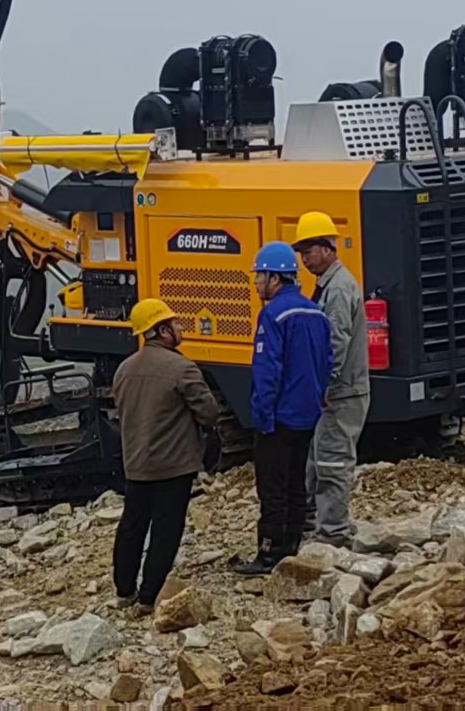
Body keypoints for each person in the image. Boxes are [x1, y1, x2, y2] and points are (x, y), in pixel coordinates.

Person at [111, 297, 220, 615]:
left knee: (132, 525)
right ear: (161, 330)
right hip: (173, 466)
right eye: (175, 323)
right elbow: (209, 413)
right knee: (166, 531)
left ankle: (124, 590)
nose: (181, 327)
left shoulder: (124, 369)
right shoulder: (182, 368)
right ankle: (149, 596)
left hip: (136, 464)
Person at [230, 241, 333, 574]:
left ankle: (269, 554)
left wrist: (261, 417)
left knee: (272, 488)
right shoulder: (315, 312)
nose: (256, 283)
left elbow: (267, 371)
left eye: (259, 276)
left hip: (278, 418)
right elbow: (326, 362)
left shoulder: (272, 315)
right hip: (307, 415)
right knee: (295, 484)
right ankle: (291, 547)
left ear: (275, 277)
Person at [294, 210, 370, 547]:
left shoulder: (337, 289)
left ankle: (333, 534)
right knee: (318, 458)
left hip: (342, 392)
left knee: (331, 461)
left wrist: (326, 383)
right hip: (340, 390)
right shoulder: (330, 285)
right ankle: (314, 522)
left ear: (326, 248)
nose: (304, 259)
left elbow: (336, 341)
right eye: (301, 253)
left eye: (308, 251)